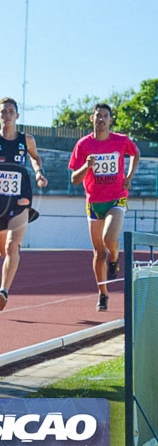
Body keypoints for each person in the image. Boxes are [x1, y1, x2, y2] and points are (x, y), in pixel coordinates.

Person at [0, 98, 48, 310]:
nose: (7, 115)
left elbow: (35, 158)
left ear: (17, 116)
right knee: (4, 252)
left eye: (11, 112)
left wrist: (39, 173)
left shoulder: (27, 140)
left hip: (21, 199)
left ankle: (3, 290)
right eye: (3, 112)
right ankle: (8, 269)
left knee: (13, 246)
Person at [68, 103, 140, 312]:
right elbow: (74, 179)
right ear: (92, 119)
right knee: (99, 253)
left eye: (105, 116)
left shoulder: (121, 140)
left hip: (117, 197)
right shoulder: (83, 145)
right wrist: (87, 165)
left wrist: (129, 176)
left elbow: (135, 154)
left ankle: (115, 259)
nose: (101, 119)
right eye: (97, 116)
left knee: (110, 239)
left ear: (110, 120)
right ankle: (103, 293)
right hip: (94, 203)